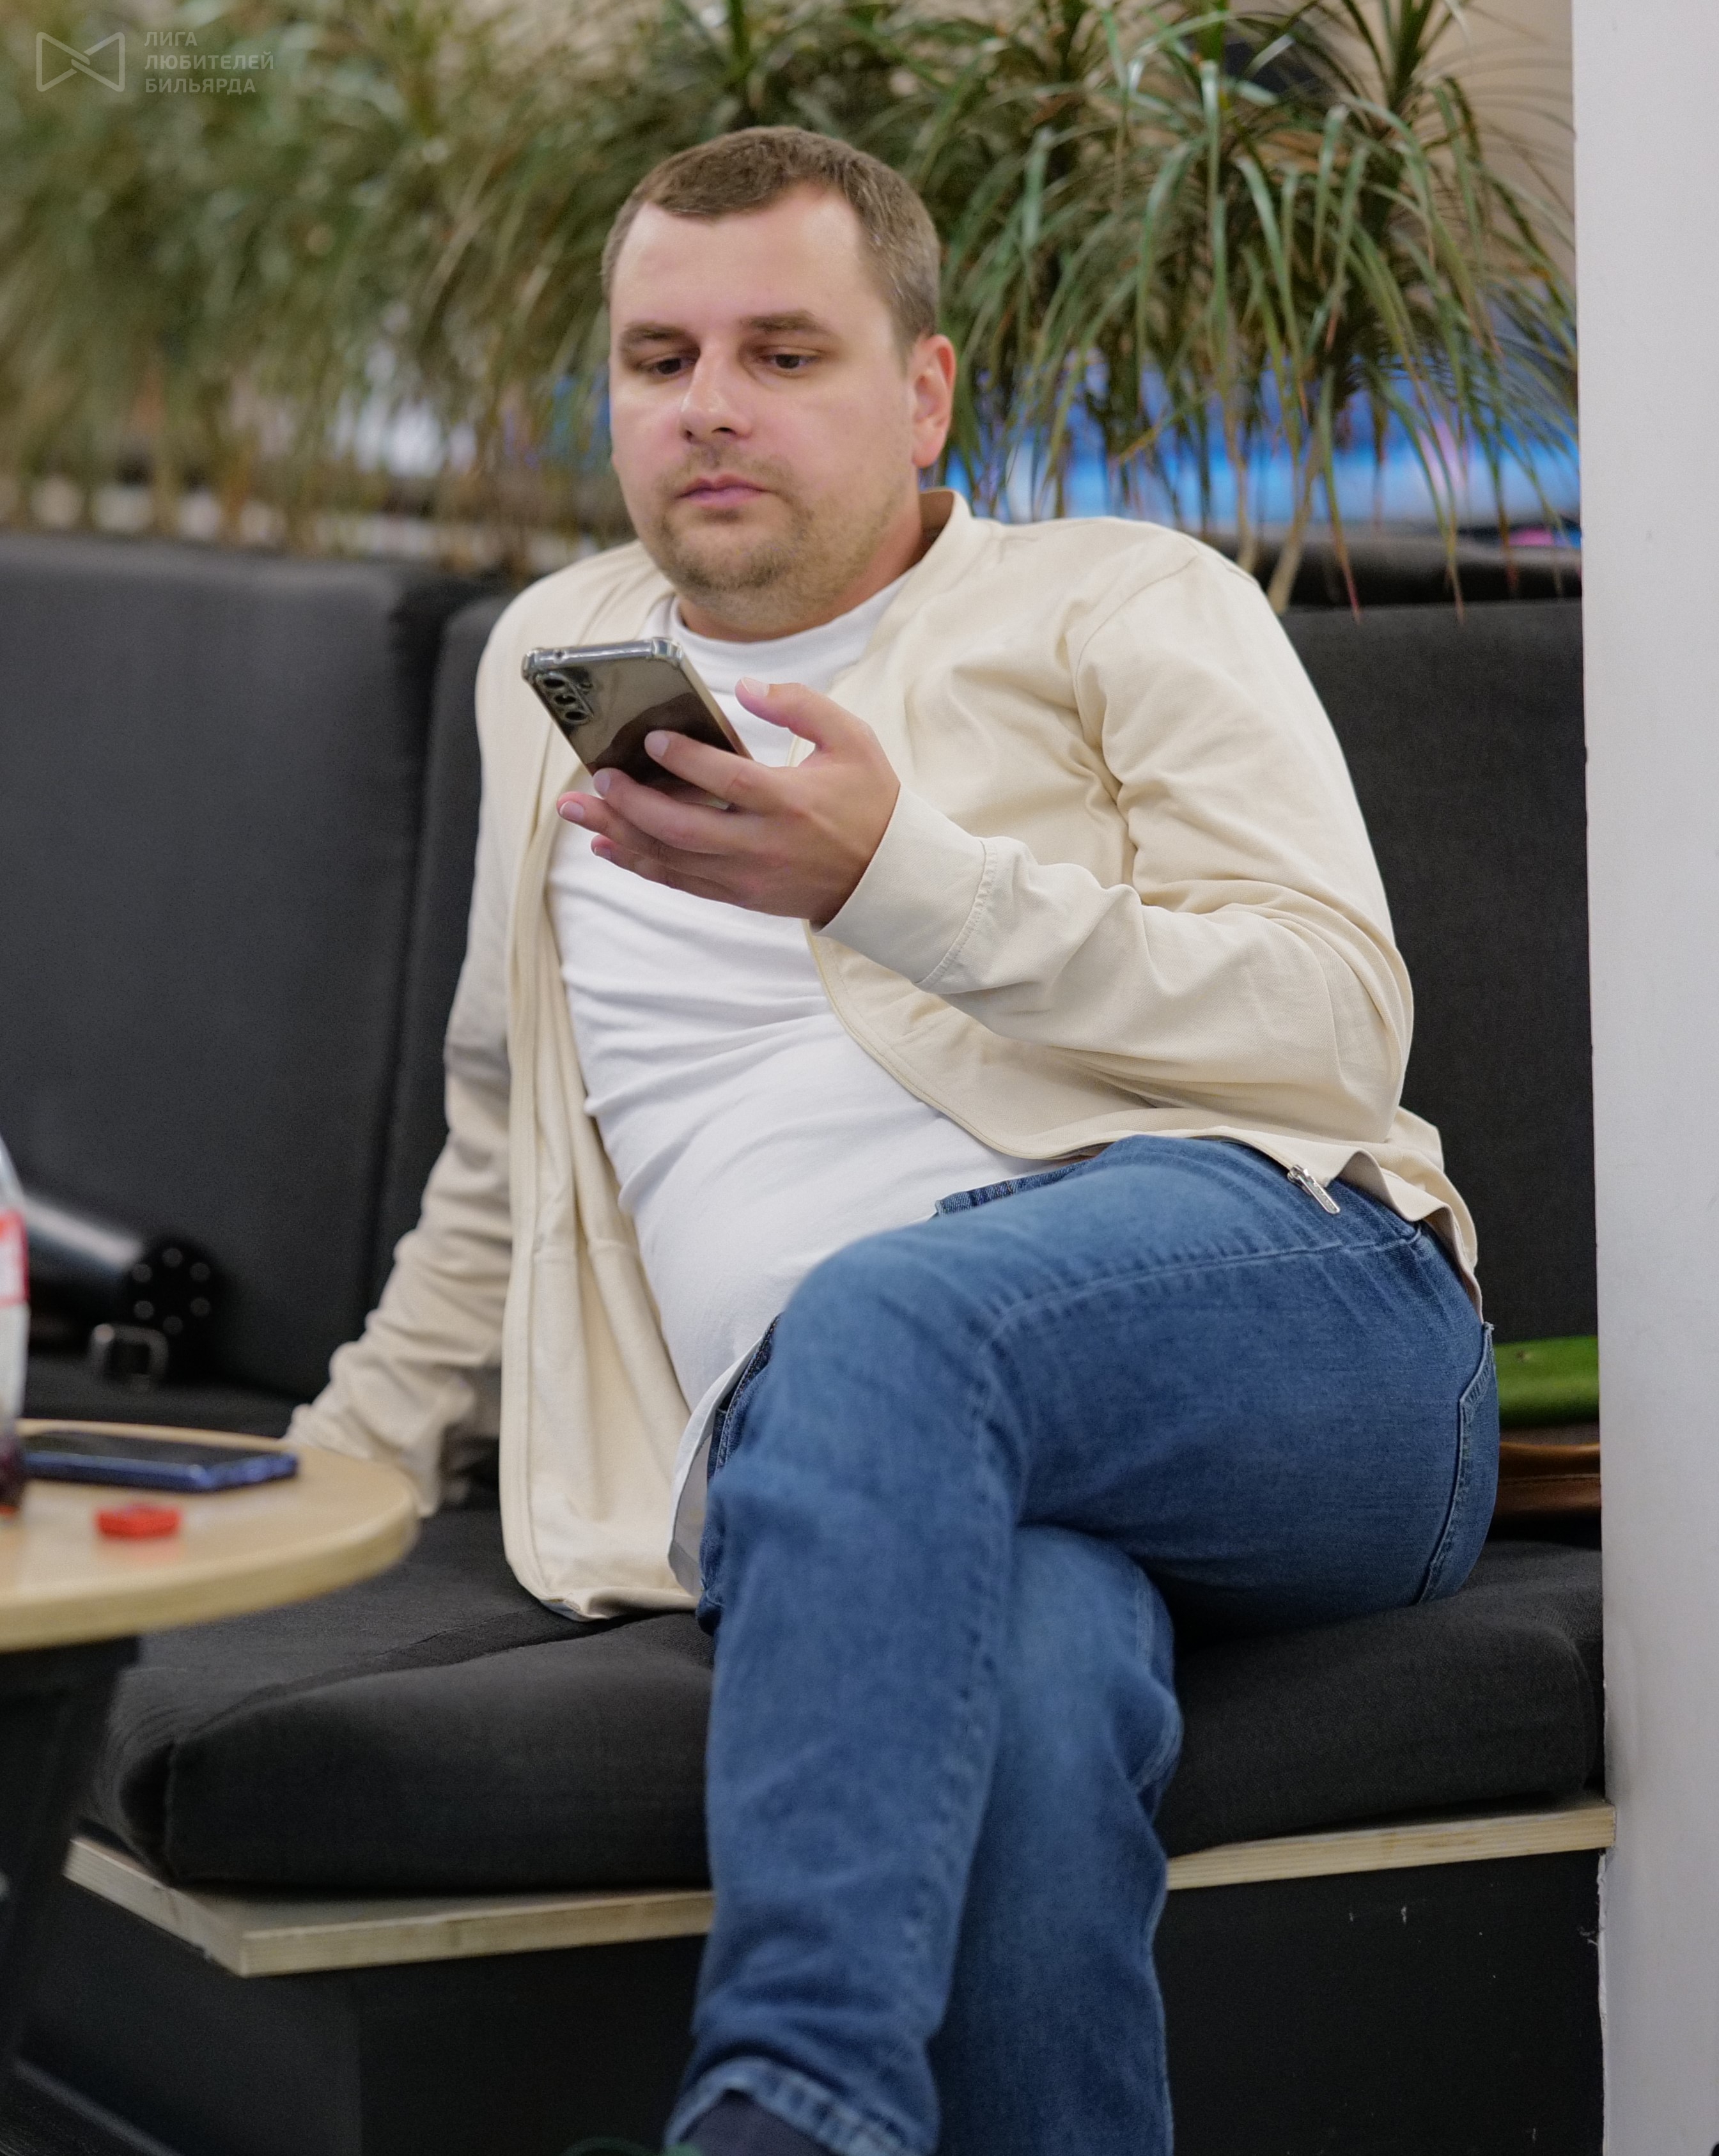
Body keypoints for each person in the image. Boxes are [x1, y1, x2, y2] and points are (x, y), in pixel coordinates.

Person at [289, 125, 1498, 2156]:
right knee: (1032, 1678)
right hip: (846, 1450)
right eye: (659, 359)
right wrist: (335, 1467)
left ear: (924, 393)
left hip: (1297, 1325)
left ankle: (785, 2111)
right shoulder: (548, 662)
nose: (709, 405)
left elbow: (1331, 1021)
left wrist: (889, 880)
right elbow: (509, 1152)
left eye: (783, 352)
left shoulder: (1121, 600)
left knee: (887, 1315)